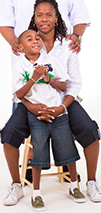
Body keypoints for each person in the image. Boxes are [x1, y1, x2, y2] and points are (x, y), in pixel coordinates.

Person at [1, 0, 101, 205]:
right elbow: (17, 86)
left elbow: (72, 84)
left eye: (49, 15)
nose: (44, 19)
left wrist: (62, 107)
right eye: (39, 15)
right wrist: (31, 106)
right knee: (9, 133)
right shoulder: (26, 43)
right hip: (31, 103)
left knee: (90, 131)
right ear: (34, 19)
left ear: (57, 18)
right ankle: (16, 185)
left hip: (63, 102)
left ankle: (91, 182)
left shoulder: (67, 46)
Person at [12, 29, 85, 210]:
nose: (36, 40)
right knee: (38, 152)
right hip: (37, 116)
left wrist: (48, 79)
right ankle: (36, 193)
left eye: (37, 38)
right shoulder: (20, 66)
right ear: (21, 47)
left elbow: (64, 85)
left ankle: (74, 186)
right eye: (29, 39)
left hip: (58, 114)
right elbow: (19, 94)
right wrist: (34, 79)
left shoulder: (51, 62)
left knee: (68, 147)